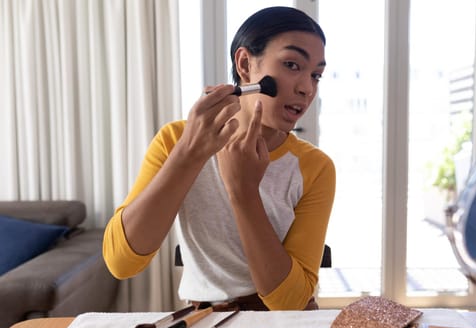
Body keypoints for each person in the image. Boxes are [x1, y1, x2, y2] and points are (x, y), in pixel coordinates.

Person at [102, 6, 335, 311]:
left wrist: (243, 190)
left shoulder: (315, 168)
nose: (307, 88)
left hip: (283, 325)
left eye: (316, 75)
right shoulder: (175, 141)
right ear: (244, 64)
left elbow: (290, 303)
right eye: (292, 65)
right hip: (201, 321)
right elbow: (121, 263)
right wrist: (188, 153)